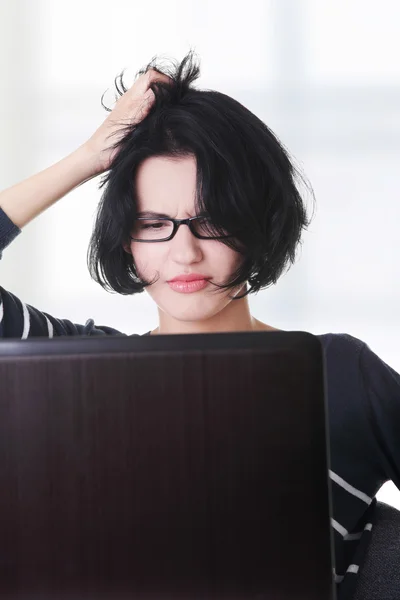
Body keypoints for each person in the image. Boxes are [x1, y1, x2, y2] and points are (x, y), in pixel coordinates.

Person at [0, 51, 399, 599]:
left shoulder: (343, 375)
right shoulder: (77, 374)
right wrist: (92, 157)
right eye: (153, 223)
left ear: (258, 227)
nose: (184, 253)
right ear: (126, 239)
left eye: (212, 221)